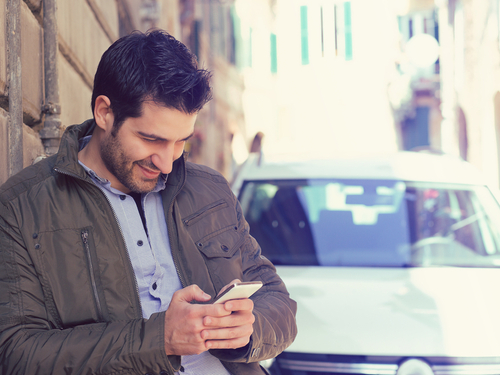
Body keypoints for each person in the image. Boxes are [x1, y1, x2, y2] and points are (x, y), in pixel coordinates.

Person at [0, 30, 297, 375]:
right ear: (104, 113)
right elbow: (15, 353)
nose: (167, 163)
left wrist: (247, 330)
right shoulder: (22, 208)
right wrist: (160, 340)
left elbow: (279, 303)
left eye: (180, 142)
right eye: (151, 139)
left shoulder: (211, 189)